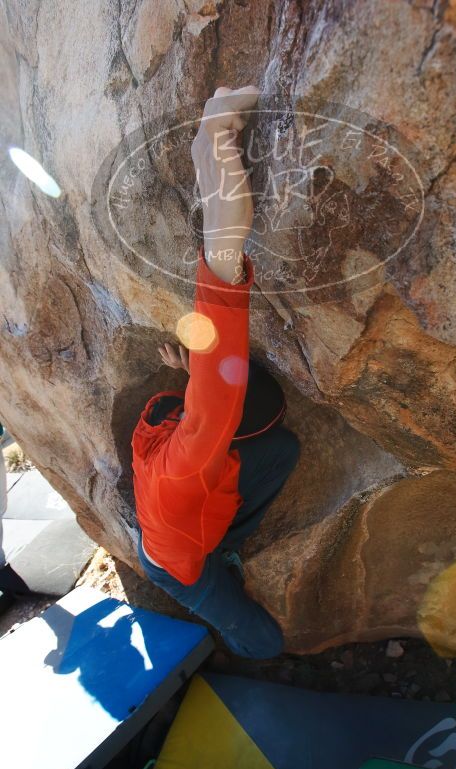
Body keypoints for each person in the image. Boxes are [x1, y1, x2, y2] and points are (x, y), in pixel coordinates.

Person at [132, 85, 300, 659]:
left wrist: (190, 378)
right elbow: (210, 412)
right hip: (177, 565)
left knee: (282, 451)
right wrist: (213, 157)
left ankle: (224, 539)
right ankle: (222, 616)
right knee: (263, 642)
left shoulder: (166, 422)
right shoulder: (192, 445)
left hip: (177, 514)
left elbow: (201, 408)